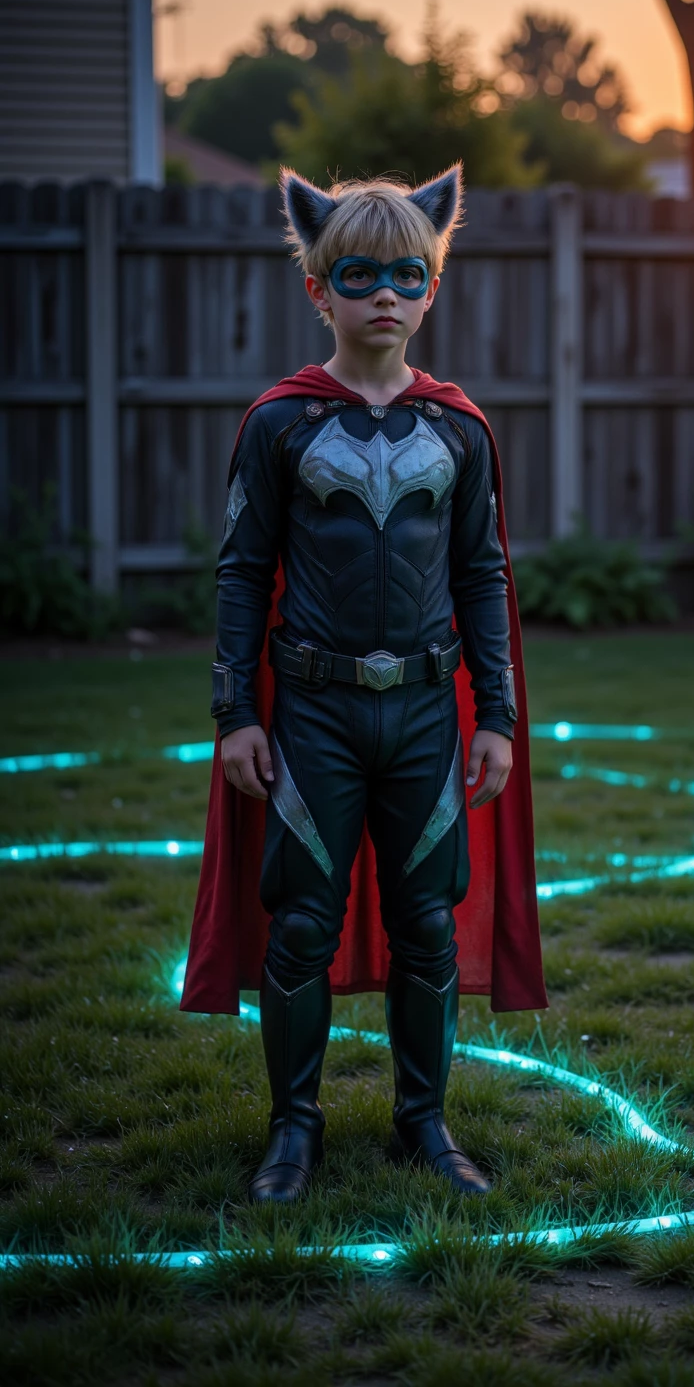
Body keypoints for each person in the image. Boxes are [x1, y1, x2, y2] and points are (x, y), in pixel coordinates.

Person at [179, 163, 547, 1204]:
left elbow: (483, 572)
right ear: (317, 287)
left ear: (432, 285)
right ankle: (292, 1131)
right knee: (300, 921)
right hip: (311, 715)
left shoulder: (458, 427)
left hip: (430, 714)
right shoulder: (280, 422)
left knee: (429, 919)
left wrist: (498, 717)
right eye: (356, 274)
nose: (383, 294)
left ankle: (423, 1126)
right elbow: (243, 571)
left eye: (405, 274)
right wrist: (234, 715)